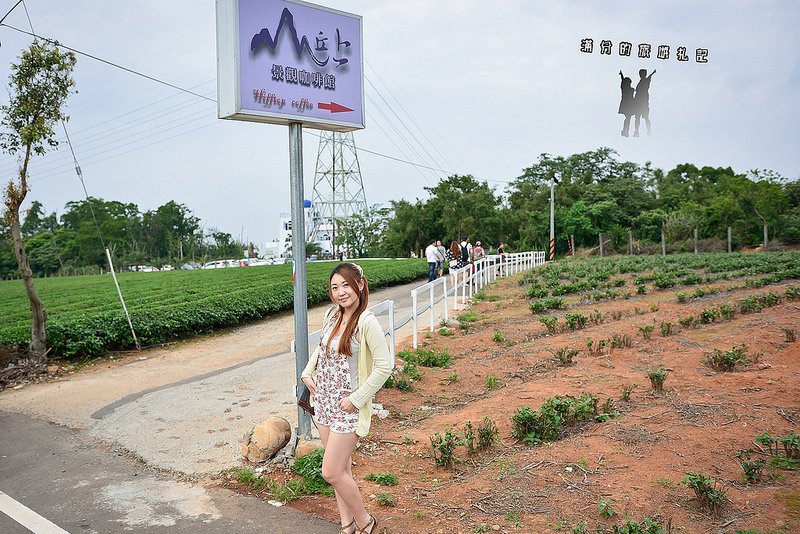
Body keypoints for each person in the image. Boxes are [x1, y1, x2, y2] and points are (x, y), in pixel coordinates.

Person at [301, 262, 391, 534]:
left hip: (347, 407)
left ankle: (366, 522)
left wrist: (357, 399)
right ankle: (347, 526)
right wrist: (307, 372)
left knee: (330, 472)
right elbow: (322, 349)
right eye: (335, 287)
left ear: (360, 285)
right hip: (325, 403)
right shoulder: (332, 315)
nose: (341, 292)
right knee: (342, 471)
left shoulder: (367, 321)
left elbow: (384, 366)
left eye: (346, 285)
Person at [633, 68, 655, 137]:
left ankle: (649, 131)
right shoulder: (641, 82)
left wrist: (653, 73)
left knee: (645, 117)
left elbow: (650, 77)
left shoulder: (646, 81)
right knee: (638, 118)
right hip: (638, 103)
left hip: (643, 103)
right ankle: (636, 131)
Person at [618, 70, 635, 137]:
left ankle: (625, 131)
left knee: (628, 118)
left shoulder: (627, 88)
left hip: (630, 104)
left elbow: (623, 81)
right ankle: (625, 131)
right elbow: (623, 81)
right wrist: (621, 75)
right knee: (628, 118)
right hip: (627, 104)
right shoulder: (625, 88)